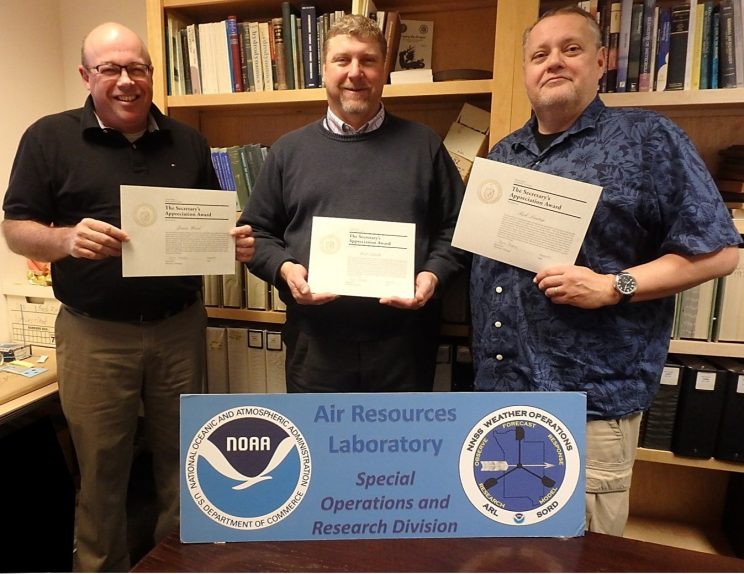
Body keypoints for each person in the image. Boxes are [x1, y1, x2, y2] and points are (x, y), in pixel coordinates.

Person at [469, 6, 741, 536]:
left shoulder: (648, 139)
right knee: (504, 548)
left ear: (601, 61)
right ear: (525, 71)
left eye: (570, 49)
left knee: (581, 552)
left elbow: (720, 252)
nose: (553, 63)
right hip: (499, 397)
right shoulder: (504, 156)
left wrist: (614, 286)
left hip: (588, 404)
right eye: (539, 54)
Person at [1, 22, 254, 572]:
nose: (125, 81)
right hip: (95, 335)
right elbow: (16, 226)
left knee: (185, 466)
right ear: (86, 75)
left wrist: (228, 243)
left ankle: (177, 565)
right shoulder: (49, 137)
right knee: (101, 474)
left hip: (179, 326)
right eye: (110, 69)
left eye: (136, 68)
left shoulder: (188, 141)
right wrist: (65, 240)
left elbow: (212, 224)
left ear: (151, 73)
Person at [239, 14, 467, 393]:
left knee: (400, 450)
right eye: (342, 60)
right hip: (315, 345)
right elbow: (257, 234)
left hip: (404, 346)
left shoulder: (423, 145)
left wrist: (432, 276)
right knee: (319, 450)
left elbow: (457, 229)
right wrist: (285, 269)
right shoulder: (288, 151)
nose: (355, 72)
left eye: (368, 60)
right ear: (325, 70)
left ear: (384, 69)